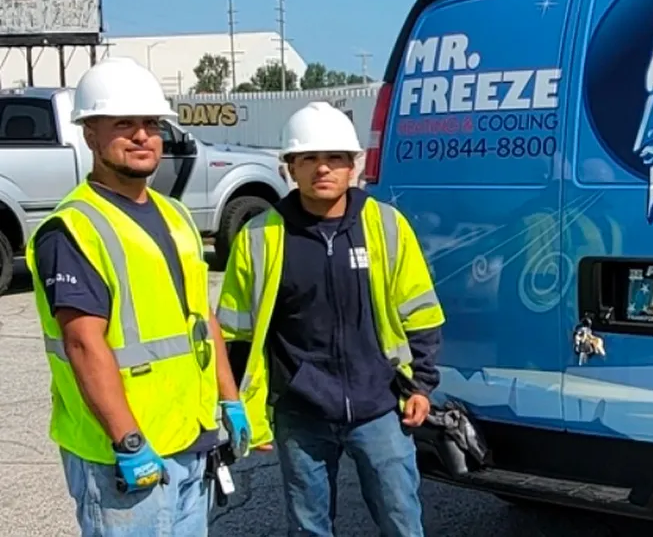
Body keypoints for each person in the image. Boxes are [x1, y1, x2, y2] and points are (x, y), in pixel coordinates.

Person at [26, 57, 252, 537]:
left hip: (189, 441)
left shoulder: (175, 215)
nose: (141, 135)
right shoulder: (72, 229)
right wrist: (127, 440)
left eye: (150, 123)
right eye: (122, 124)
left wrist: (230, 401)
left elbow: (202, 319)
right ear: (90, 134)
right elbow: (84, 343)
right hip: (124, 455)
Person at [215, 101, 446, 537]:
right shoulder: (260, 237)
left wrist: (421, 386)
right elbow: (235, 334)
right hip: (301, 412)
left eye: (335, 158)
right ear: (290, 167)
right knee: (309, 527)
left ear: (353, 165)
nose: (323, 169)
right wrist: (243, 409)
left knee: (402, 520)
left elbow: (421, 313)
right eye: (309, 159)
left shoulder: (387, 226)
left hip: (380, 407)